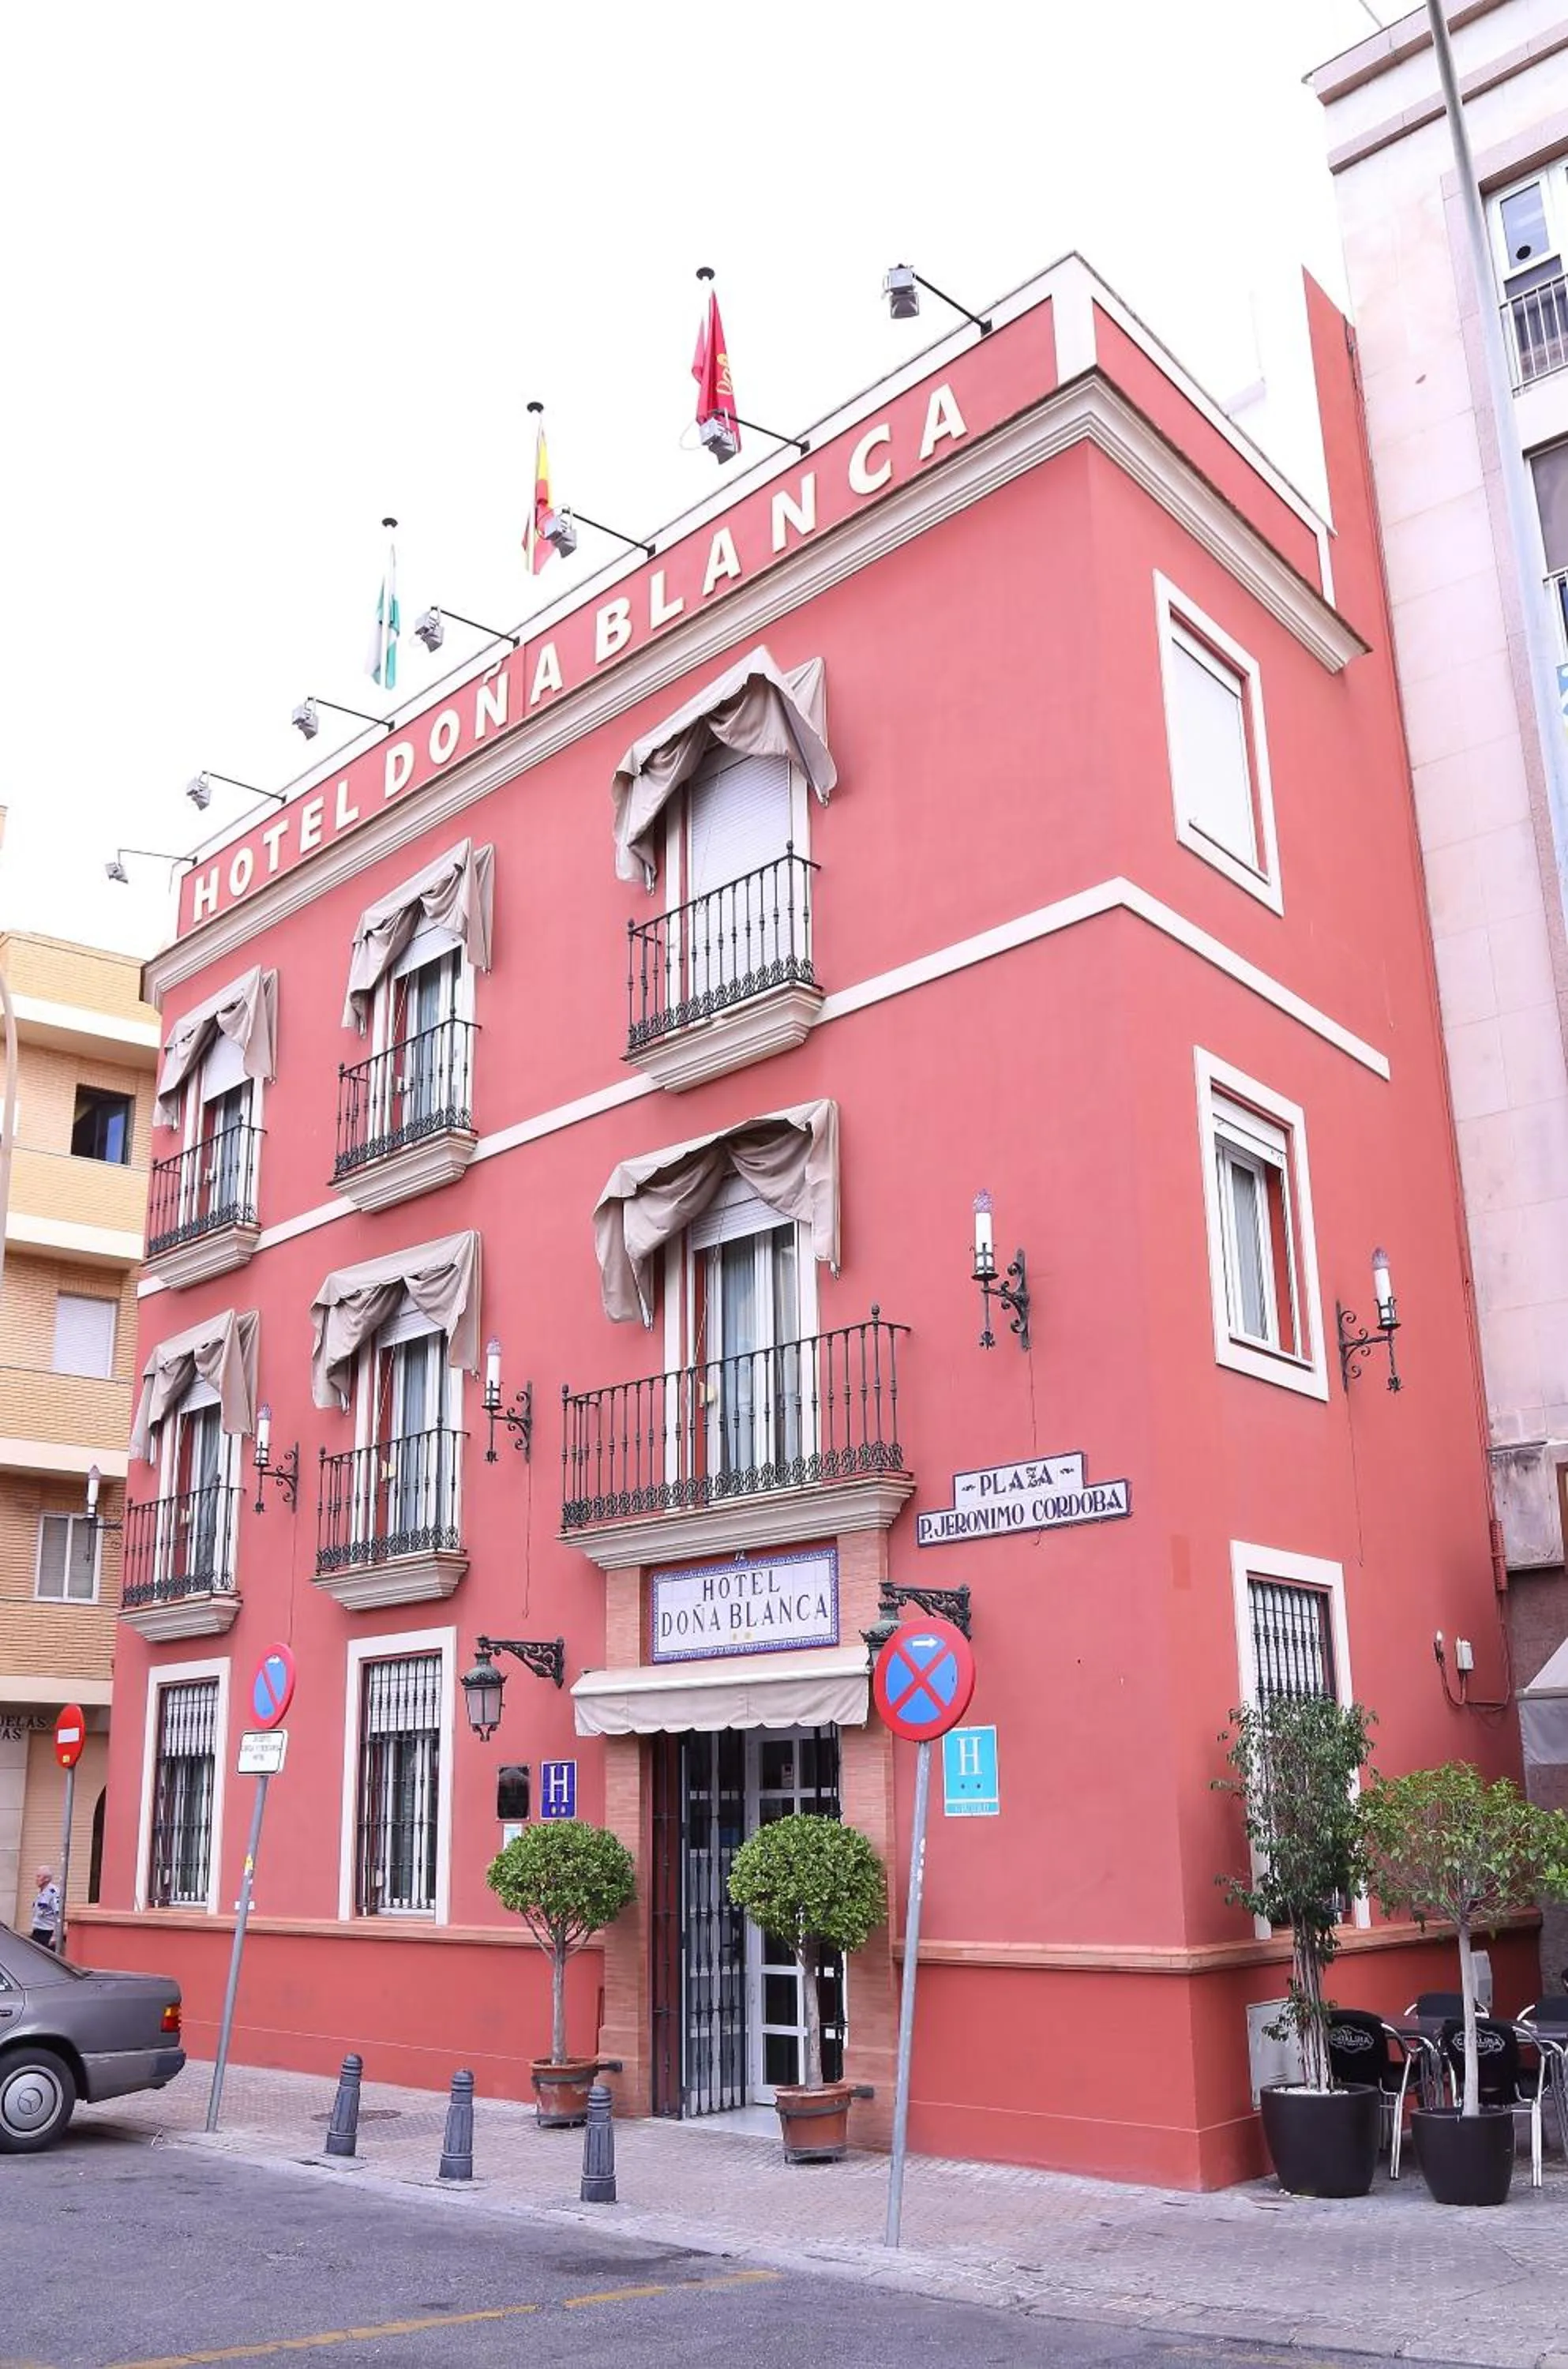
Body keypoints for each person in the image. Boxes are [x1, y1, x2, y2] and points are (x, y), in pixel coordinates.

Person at [28, 1866, 60, 1951]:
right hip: (37, 1932)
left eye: (39, 1876)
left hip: (47, 1933)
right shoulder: (41, 1892)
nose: (36, 1879)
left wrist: (55, 1936)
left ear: (47, 1879)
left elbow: (59, 1914)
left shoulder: (53, 1892)